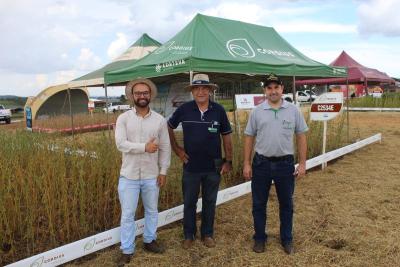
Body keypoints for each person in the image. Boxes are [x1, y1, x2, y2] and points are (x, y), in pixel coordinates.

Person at [243, 73, 308, 255]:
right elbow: (249, 137)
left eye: (276, 87)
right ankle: (259, 239)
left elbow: (301, 136)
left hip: (285, 165)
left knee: (286, 204)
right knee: (258, 204)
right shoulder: (257, 111)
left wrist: (302, 164)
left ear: (282, 89)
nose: (273, 91)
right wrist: (247, 164)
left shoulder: (293, 110)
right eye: (269, 88)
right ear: (265, 91)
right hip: (261, 164)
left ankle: (287, 239)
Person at [168, 73, 233, 249]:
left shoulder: (218, 110)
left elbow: (226, 136)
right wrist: (177, 149)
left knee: (210, 202)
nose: (201, 91)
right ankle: (189, 235)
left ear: (210, 91)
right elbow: (169, 126)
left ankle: (207, 234)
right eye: (197, 88)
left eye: (205, 88)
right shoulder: (184, 109)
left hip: (214, 166)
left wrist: (228, 160)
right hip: (191, 166)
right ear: (193, 91)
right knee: (189, 202)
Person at [115, 78, 171, 266]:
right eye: (138, 93)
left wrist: (163, 171)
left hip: (151, 175)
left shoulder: (159, 120)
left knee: (152, 210)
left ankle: (149, 240)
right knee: (127, 214)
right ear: (132, 96)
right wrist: (144, 147)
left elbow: (165, 147)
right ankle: (127, 249)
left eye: (145, 93)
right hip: (128, 176)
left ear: (150, 95)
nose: (142, 96)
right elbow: (120, 144)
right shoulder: (123, 119)